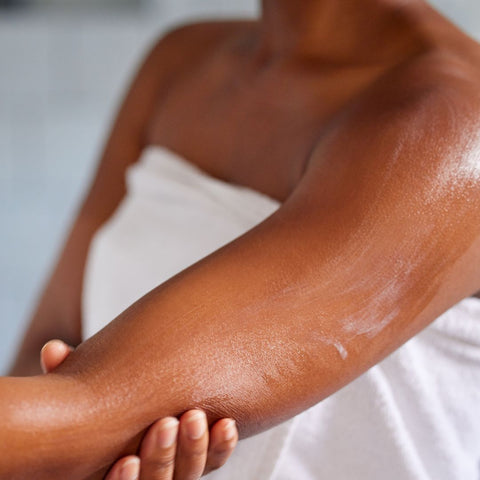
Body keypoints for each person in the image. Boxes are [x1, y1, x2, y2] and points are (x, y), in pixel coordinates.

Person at [3, 0, 480, 478]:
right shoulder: (181, 62)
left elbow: (87, 414)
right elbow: (45, 344)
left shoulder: (455, 120)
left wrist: (66, 444)